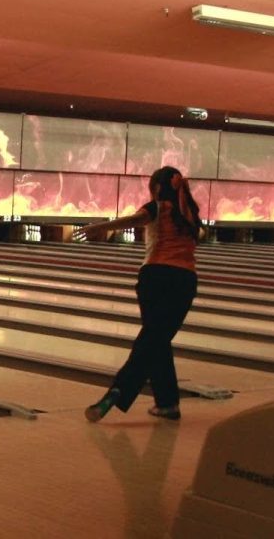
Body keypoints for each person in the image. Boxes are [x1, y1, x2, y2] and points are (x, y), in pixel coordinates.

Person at [75, 166, 202, 423]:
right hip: (186, 281)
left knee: (152, 339)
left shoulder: (158, 207)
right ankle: (167, 404)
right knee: (157, 341)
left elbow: (135, 220)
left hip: (155, 277)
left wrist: (101, 226)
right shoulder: (191, 215)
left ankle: (119, 389)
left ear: (156, 187)